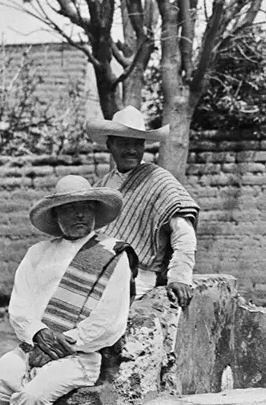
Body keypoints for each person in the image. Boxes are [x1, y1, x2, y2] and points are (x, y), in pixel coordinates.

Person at [0, 175, 136, 405]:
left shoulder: (113, 255)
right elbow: (20, 306)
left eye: (86, 207)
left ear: (95, 212)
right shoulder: (38, 253)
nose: (79, 215)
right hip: (33, 347)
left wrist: (63, 342)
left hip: (80, 356)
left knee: (34, 395)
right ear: (56, 215)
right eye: (69, 209)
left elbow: (109, 321)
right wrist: (37, 334)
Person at [86, 106, 200, 308]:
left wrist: (179, 277)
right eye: (123, 143)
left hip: (138, 280)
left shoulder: (159, 181)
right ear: (109, 145)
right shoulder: (101, 187)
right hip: (95, 275)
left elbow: (184, 235)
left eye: (137, 143)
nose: (131, 150)